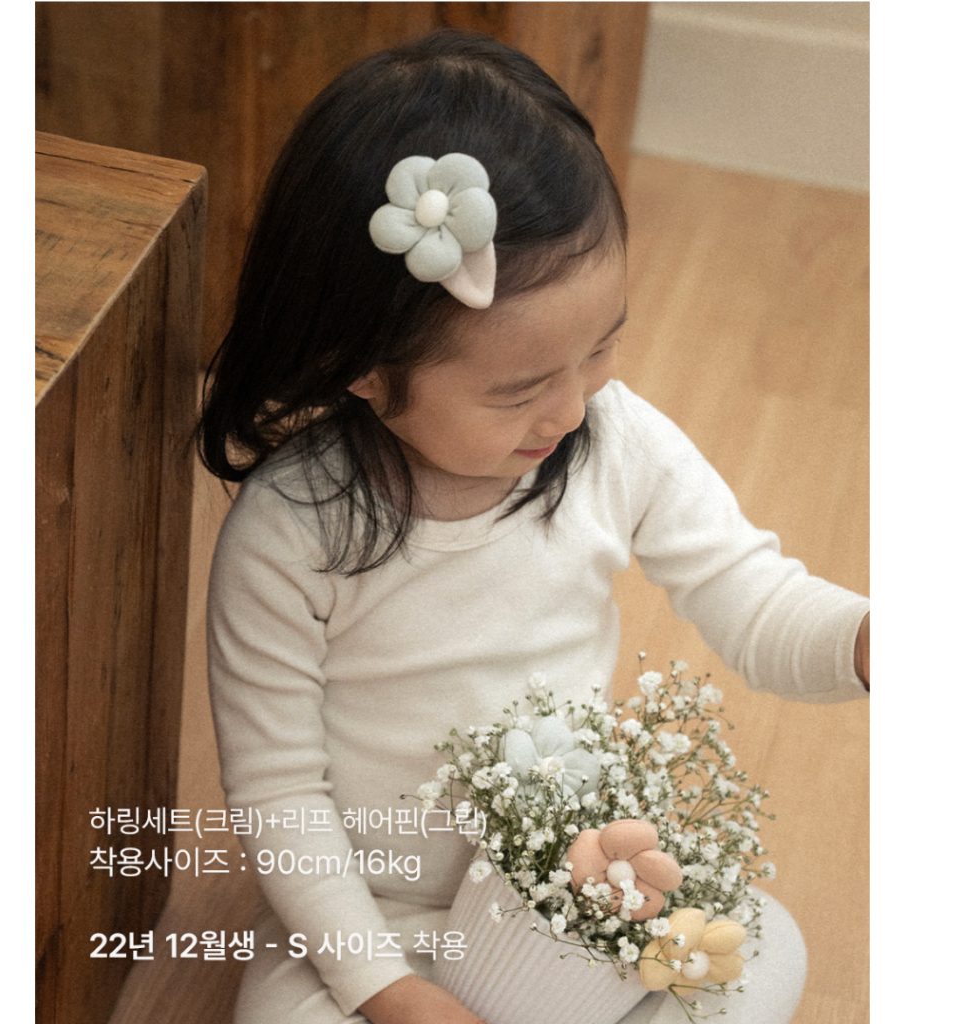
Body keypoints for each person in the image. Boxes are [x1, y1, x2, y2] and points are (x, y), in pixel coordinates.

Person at [198, 30, 869, 1024]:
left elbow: (753, 597)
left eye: (600, 349)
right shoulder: (289, 534)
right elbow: (278, 794)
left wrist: (867, 639)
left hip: (582, 890)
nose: (568, 408)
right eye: (517, 389)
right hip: (387, 920)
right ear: (362, 365)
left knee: (765, 950)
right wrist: (386, 990)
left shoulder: (612, 437)